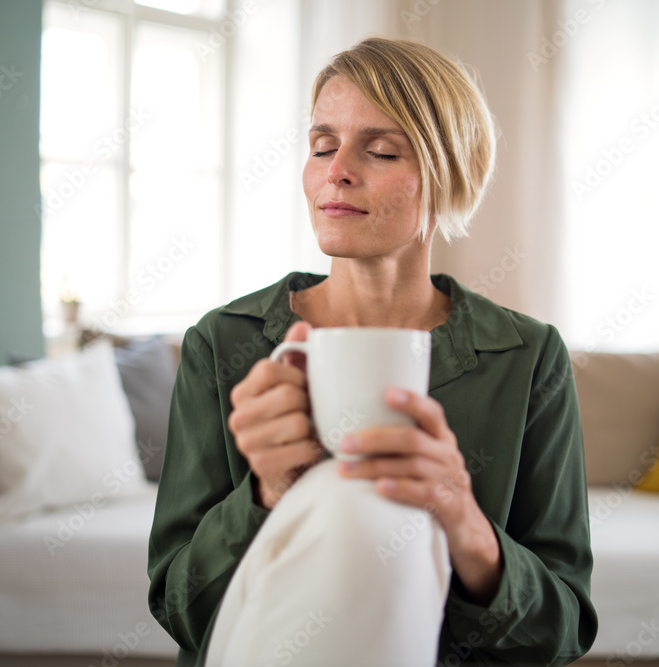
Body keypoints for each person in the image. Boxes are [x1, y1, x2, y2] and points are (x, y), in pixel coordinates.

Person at [148, 36, 597, 666]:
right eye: (322, 146)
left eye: (381, 149)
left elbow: (562, 630)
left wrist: (462, 519)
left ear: (447, 174)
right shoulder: (225, 342)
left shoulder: (527, 355)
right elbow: (179, 608)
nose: (337, 171)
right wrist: (265, 492)